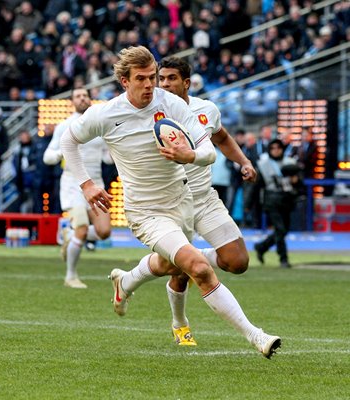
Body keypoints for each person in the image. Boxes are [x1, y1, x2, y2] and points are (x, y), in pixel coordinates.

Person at [60, 46, 281, 358]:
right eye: (142, 78)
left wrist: (189, 154)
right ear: (125, 81)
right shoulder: (105, 114)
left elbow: (208, 151)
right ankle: (257, 336)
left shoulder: (173, 105)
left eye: (153, 77)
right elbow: (68, 140)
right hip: (147, 212)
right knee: (198, 268)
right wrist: (85, 184)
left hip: (184, 201)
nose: (151, 84)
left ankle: (125, 282)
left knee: (170, 265)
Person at [158, 55, 258, 345]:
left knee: (238, 261)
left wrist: (244, 161)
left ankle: (187, 259)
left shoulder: (207, 110)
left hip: (205, 198)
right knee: (181, 268)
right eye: (161, 79)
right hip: (174, 202)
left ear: (186, 82)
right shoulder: (151, 113)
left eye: (171, 78)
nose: (164, 84)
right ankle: (179, 324)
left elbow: (223, 137)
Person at [43, 88, 112, 289]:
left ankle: (70, 237)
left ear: (90, 99)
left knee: (104, 232)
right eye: (78, 96)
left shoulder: (100, 126)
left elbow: (107, 157)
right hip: (73, 184)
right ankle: (70, 276)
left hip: (96, 183)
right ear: (72, 101)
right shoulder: (65, 126)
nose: (82, 98)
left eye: (85, 95)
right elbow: (47, 156)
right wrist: (60, 155)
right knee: (81, 228)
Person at [253, 139, 303, 269]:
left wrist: (295, 180)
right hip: (272, 200)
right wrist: (250, 203)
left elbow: (299, 183)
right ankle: (283, 259)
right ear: (269, 150)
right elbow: (256, 185)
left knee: (283, 230)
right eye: (273, 148)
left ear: (282, 149)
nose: (276, 150)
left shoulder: (290, 163)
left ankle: (261, 247)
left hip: (287, 200)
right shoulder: (263, 164)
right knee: (280, 229)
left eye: (278, 147)